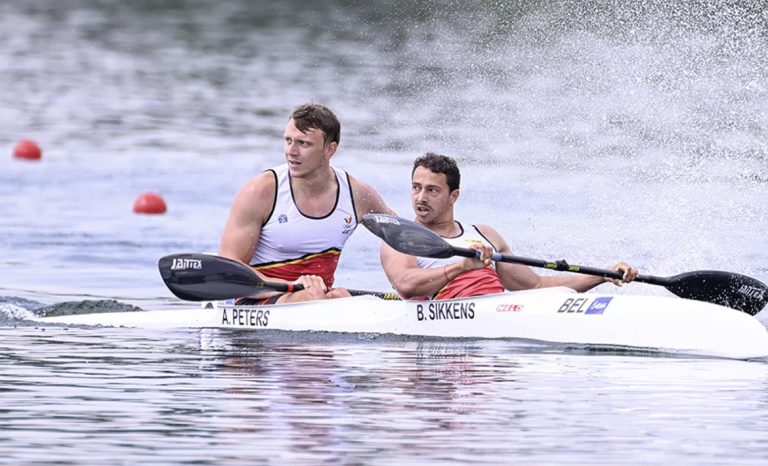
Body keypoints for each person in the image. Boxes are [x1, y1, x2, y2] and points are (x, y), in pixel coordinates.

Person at [379, 153, 639, 299]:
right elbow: (406, 285)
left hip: (496, 315)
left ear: (453, 196)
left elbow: (535, 286)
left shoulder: (484, 234)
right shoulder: (400, 237)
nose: (421, 197)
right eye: (416, 188)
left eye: (432, 190)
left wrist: (602, 276)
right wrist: (461, 266)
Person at [219, 104, 394, 304]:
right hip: (257, 299)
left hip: (318, 299)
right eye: (288, 141)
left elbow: (403, 241)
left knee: (339, 295)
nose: (291, 152)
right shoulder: (260, 192)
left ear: (329, 149)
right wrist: (291, 285)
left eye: (303, 143)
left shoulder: (357, 194)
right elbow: (228, 267)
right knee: (315, 296)